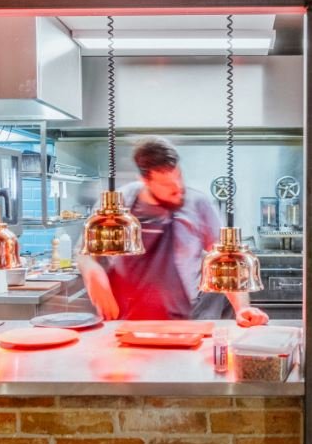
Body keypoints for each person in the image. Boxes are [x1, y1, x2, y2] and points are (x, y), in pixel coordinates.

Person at [78, 136, 270, 326]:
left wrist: (242, 309)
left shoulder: (198, 204)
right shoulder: (116, 205)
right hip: (127, 321)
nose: (178, 188)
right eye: (166, 184)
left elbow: (227, 260)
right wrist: (91, 270)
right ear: (144, 180)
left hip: (184, 321)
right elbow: (84, 253)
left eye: (178, 177)